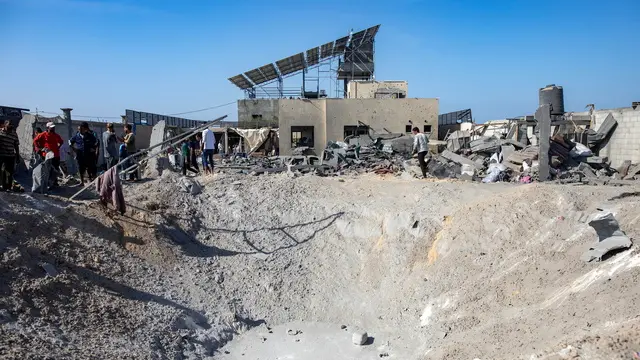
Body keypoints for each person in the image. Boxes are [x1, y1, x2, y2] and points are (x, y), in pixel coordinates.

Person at [33, 122, 63, 186]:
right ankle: (47, 182)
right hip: (47, 155)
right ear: (48, 128)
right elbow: (35, 140)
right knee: (47, 169)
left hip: (56, 155)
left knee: (55, 169)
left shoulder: (56, 135)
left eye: (53, 127)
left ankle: (54, 181)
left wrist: (58, 147)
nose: (53, 128)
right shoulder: (43, 134)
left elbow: (61, 141)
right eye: (52, 127)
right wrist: (40, 148)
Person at [0, 120, 19, 191]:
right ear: (5, 125)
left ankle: (7, 186)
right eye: (9, 125)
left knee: (9, 172)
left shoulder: (14, 134)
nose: (11, 127)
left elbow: (16, 145)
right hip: (1, 154)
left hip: (10, 155)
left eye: (12, 126)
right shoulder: (0, 132)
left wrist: (17, 155)